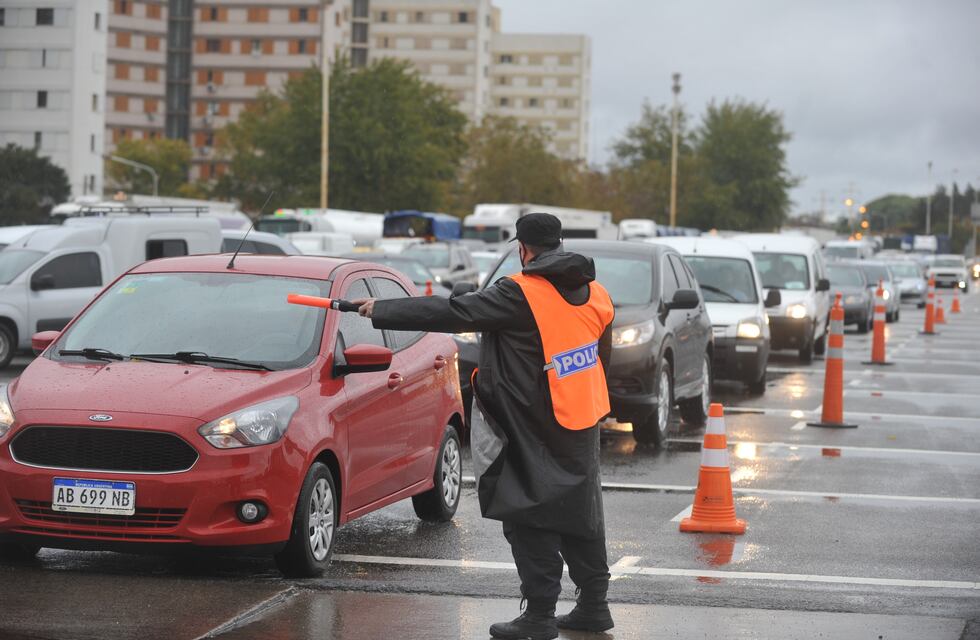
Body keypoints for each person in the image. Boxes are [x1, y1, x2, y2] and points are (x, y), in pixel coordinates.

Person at [355, 213, 616, 640]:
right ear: (559, 242)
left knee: (528, 512)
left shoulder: (520, 292)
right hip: (581, 418)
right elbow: (601, 358)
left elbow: (455, 311)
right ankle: (594, 606)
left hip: (530, 423)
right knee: (581, 514)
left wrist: (382, 309)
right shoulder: (597, 293)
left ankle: (540, 616)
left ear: (523, 249)